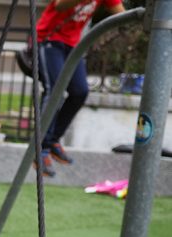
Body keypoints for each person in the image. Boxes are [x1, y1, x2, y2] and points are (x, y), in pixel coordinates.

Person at [35, 0, 124, 176]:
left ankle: (53, 140)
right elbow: (60, 5)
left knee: (80, 92)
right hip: (48, 39)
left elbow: (121, 14)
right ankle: (41, 146)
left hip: (72, 45)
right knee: (54, 90)